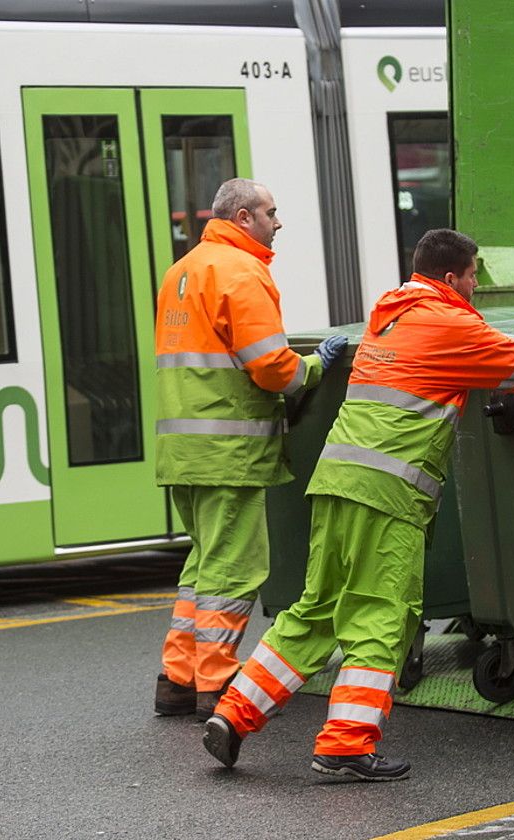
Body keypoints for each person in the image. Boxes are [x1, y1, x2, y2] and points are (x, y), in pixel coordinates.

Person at [203, 228, 514, 780]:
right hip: (388, 496)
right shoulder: (454, 324)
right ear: (453, 277)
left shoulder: (387, 317)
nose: (477, 284)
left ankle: (234, 715)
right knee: (381, 616)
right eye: (474, 274)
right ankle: (345, 744)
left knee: (315, 609)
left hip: (335, 481)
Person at [153, 178, 348, 721]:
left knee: (203, 566)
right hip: (228, 450)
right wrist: (315, 368)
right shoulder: (241, 271)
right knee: (234, 571)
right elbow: (271, 366)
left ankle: (177, 677)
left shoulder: (183, 269)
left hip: (183, 449)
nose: (277, 221)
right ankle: (215, 684)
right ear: (243, 217)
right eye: (271, 211)